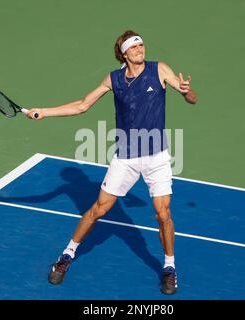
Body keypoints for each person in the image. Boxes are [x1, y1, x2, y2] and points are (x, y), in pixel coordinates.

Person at [26, 30, 197, 294]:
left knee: (163, 214)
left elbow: (190, 97)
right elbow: (83, 105)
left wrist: (186, 93)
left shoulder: (159, 69)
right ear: (124, 53)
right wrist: (44, 112)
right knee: (98, 210)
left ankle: (170, 268)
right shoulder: (114, 79)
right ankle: (66, 256)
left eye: (141, 44)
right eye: (135, 46)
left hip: (156, 157)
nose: (141, 48)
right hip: (125, 158)